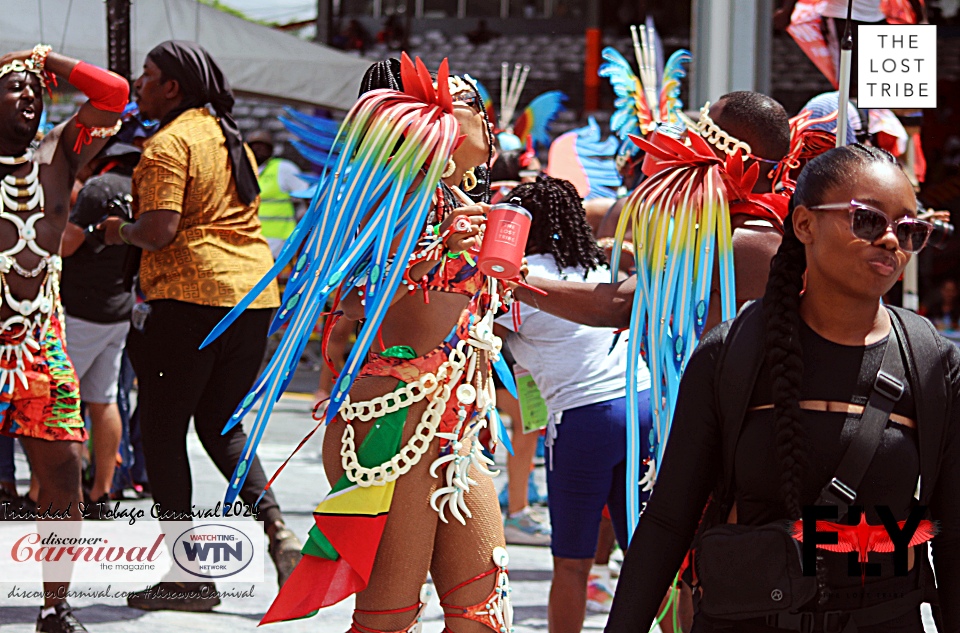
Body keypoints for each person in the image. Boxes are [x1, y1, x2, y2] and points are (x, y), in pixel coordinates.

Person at [606, 142, 960, 632]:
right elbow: (669, 519)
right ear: (804, 224)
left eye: (909, 229)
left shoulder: (933, 362)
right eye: (868, 220)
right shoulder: (731, 354)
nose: (890, 241)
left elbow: (953, 532)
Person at [235, 55, 513, 633]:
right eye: (465, 105)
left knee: (481, 616)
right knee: (387, 620)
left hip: (453, 433)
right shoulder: (388, 209)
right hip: (395, 428)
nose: (481, 118)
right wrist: (443, 247)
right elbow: (365, 313)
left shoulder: (458, 209)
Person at [98, 40, 302, 608]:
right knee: (220, 422)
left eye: (148, 76)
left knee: (162, 434)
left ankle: (189, 574)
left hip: (190, 300)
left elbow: (159, 230)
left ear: (173, 88)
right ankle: (278, 531)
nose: (138, 84)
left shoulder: (168, 143)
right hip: (251, 299)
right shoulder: (227, 135)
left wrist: (117, 231)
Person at [0, 44, 128, 632]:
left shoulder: (58, 156)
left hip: (38, 341)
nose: (29, 95)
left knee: (64, 470)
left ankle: (55, 606)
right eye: (13, 86)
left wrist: (47, 60)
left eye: (35, 88)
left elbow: (113, 95)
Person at [495, 176, 653, 632]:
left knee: (571, 563)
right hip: (641, 406)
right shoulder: (598, 267)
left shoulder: (514, 281)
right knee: (649, 557)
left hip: (585, 421)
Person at [60, 138, 139, 515]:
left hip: (80, 311)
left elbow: (64, 246)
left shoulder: (98, 188)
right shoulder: (141, 187)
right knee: (103, 400)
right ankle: (101, 492)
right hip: (118, 309)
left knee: (60, 400)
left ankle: (51, 490)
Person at [246, 129, 309, 257]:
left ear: (271, 150)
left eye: (262, 146)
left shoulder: (283, 168)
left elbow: (307, 195)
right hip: (253, 237)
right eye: (254, 146)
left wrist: (305, 224)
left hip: (279, 238)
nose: (257, 150)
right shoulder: (245, 171)